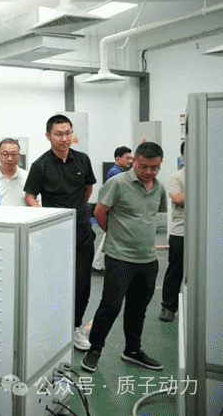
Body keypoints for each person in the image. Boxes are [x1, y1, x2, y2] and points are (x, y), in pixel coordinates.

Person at [81, 142, 167, 372]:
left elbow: (154, 216)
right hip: (120, 258)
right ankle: (94, 350)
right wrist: (115, 234)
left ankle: (132, 350)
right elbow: (99, 212)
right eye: (144, 166)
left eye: (155, 168)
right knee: (110, 306)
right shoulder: (117, 183)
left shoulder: (159, 188)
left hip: (148, 259)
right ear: (134, 161)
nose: (149, 172)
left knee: (138, 309)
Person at [24, 115, 97, 351]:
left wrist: (78, 210)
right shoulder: (40, 165)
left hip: (82, 234)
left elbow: (88, 190)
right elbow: (30, 196)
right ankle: (53, 327)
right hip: (54, 237)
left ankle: (75, 327)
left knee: (82, 284)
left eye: (68, 133)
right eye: (58, 134)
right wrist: (46, 216)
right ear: (48, 136)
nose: (64, 138)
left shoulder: (83, 160)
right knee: (53, 285)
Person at [92, 146, 133, 272]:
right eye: (127, 158)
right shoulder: (116, 173)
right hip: (114, 210)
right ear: (118, 158)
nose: (130, 161)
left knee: (108, 236)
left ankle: (97, 264)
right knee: (108, 236)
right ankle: (97, 264)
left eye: (130, 158)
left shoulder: (117, 170)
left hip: (113, 208)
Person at [160, 142, 185, 322]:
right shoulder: (176, 176)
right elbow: (177, 198)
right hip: (180, 232)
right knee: (175, 269)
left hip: (204, 232)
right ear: (183, 155)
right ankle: (168, 307)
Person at [0, 138, 28, 207]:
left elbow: (36, 202)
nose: (10, 158)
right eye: (5, 154)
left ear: (19, 156)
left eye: (14, 154)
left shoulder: (27, 177)